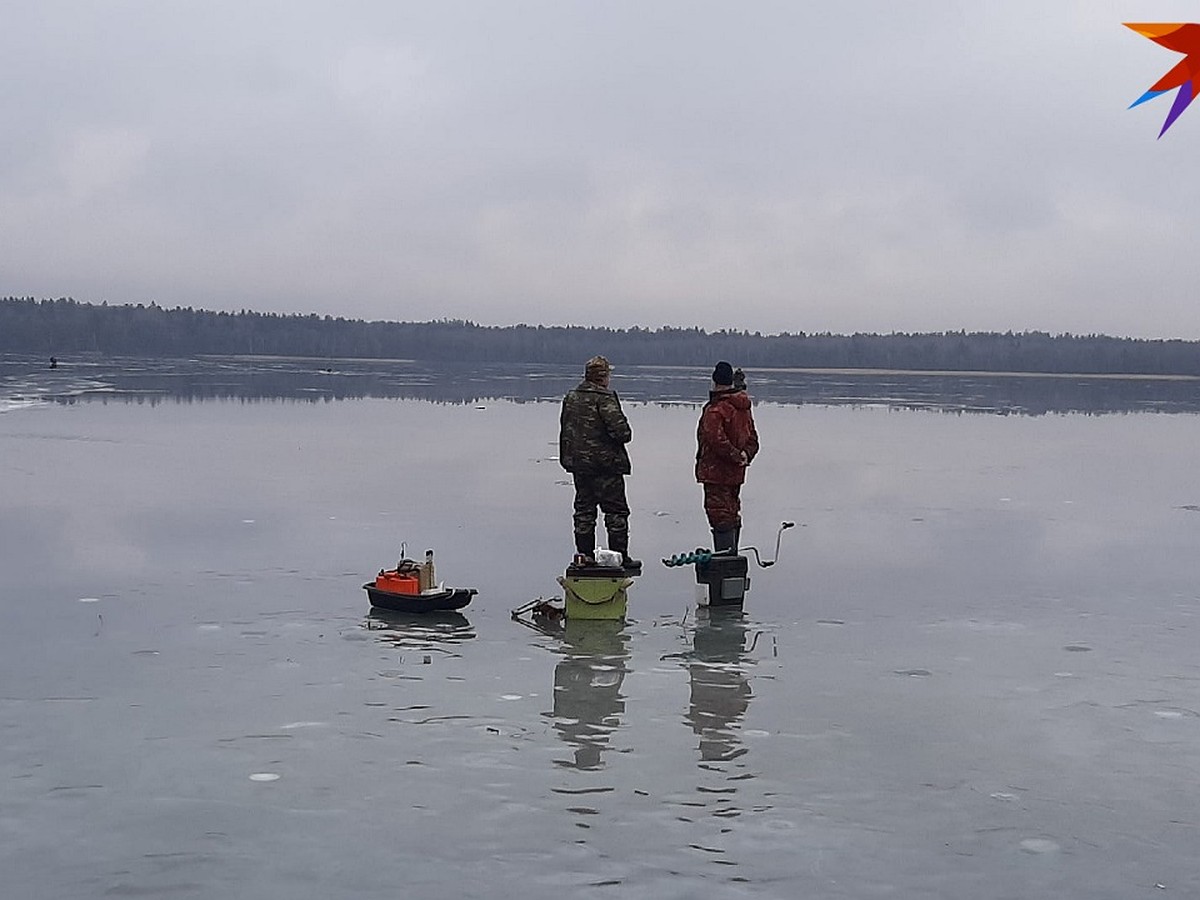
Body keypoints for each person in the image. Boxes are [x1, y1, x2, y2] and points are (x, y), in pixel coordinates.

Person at [559, 355, 639, 569]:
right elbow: (622, 433)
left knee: (584, 511)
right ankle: (618, 558)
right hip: (606, 467)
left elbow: (565, 429)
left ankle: (584, 557)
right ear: (603, 377)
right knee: (615, 513)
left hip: (580, 466)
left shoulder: (571, 397)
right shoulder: (605, 398)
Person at [695, 361, 759, 553]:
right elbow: (753, 440)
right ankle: (732, 557)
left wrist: (735, 455)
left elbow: (715, 440)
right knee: (731, 514)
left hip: (716, 473)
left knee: (720, 515)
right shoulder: (744, 408)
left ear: (714, 381)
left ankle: (725, 561)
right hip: (736, 474)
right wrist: (744, 455)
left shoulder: (716, 409)